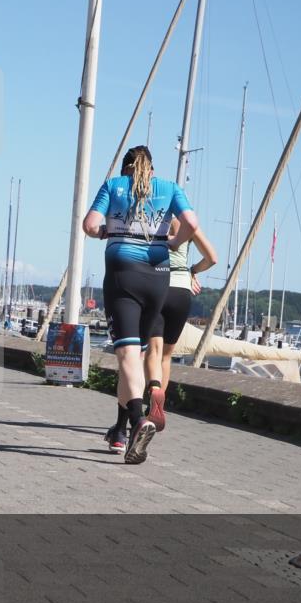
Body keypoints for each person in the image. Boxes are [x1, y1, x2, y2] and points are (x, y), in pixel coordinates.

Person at [83, 145, 198, 464]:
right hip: (159, 276)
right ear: (151, 168)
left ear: (126, 168)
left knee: (126, 354)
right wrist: (173, 242)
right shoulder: (170, 188)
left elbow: (89, 225)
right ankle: (120, 432)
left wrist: (105, 231)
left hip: (123, 276)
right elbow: (192, 222)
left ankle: (137, 421)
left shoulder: (113, 186)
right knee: (136, 354)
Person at [130, 218, 218, 439]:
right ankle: (158, 404)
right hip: (181, 291)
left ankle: (153, 389)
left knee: (153, 350)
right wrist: (193, 271)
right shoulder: (189, 227)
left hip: (157, 288)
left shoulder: (152, 224)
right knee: (167, 356)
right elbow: (212, 259)